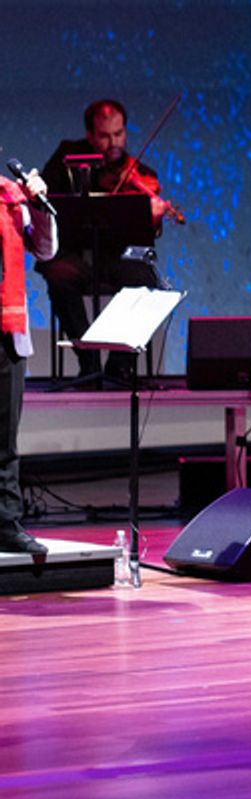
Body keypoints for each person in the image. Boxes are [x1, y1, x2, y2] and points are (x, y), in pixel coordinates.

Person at [37, 99, 166, 379]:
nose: (113, 143)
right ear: (90, 135)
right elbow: (45, 200)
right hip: (74, 254)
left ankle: (120, 364)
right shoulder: (67, 156)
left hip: (115, 257)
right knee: (58, 274)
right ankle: (89, 361)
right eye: (105, 136)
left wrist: (152, 220)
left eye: (119, 134)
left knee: (143, 276)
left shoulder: (140, 174)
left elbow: (145, 239)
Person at [0, 171, 57, 554]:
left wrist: (39, 207)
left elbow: (45, 249)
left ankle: (4, 522)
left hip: (6, 331)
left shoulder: (12, 197)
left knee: (4, 437)